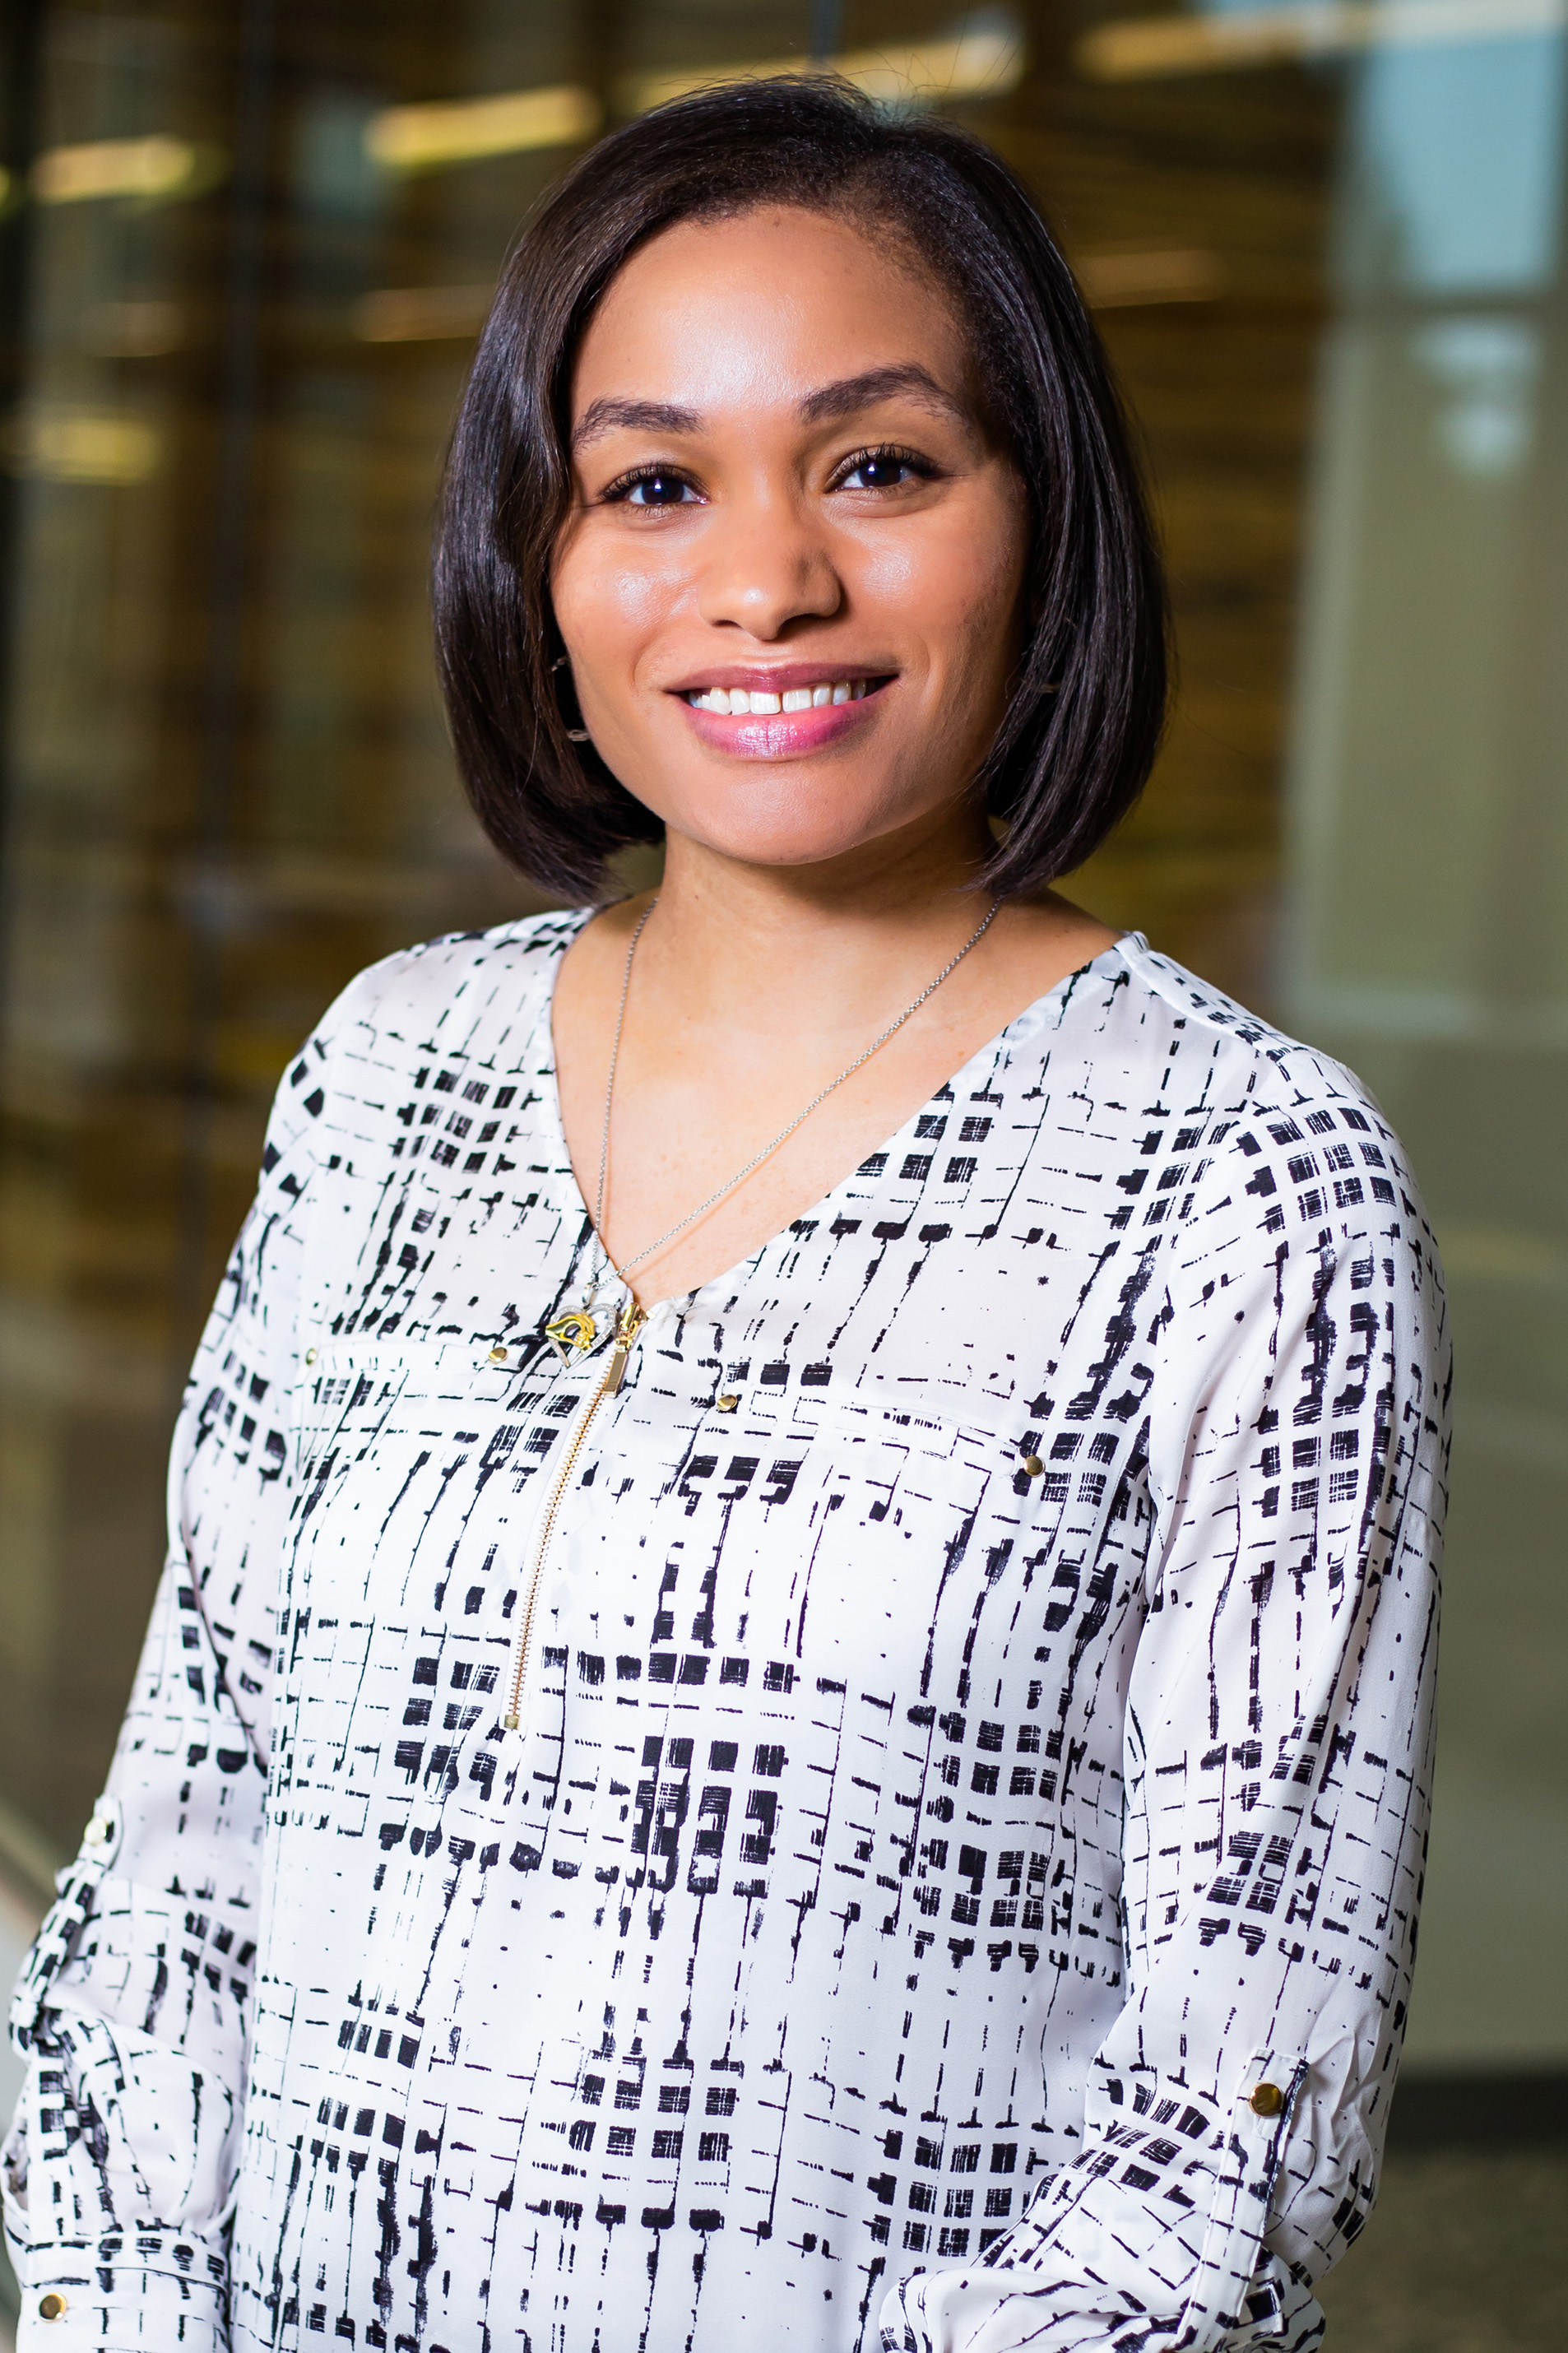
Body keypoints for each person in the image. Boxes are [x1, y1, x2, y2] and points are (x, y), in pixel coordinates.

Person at [3, 77, 1446, 2353]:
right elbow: (176, 1856)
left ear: (1037, 520)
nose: (764, 576)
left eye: (877, 464)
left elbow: (1230, 2148)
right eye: (652, 481)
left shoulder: (1237, 1176)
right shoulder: (393, 1070)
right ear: (541, 560)